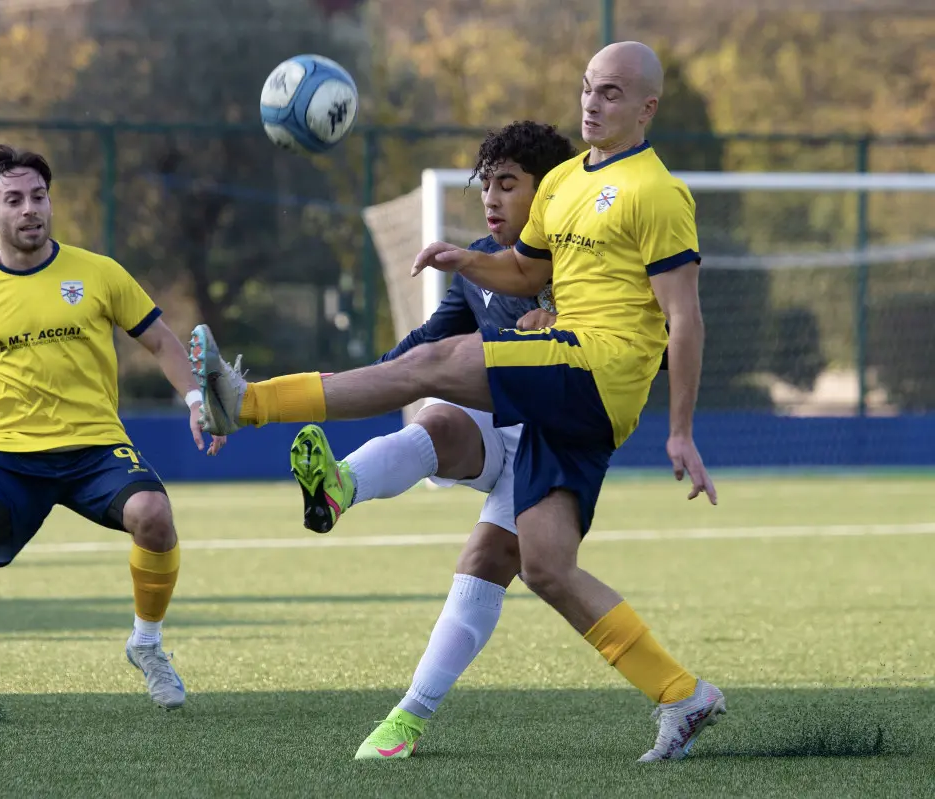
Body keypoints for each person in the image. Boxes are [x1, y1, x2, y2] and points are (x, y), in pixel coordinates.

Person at [190, 41, 725, 762]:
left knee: (433, 369)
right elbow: (525, 270)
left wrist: (681, 429)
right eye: (587, 89)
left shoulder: (657, 192)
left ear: (647, 107)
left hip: (600, 368)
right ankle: (681, 694)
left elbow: (684, 316)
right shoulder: (566, 181)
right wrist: (462, 258)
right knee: (545, 566)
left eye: (612, 93)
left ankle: (247, 403)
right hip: (566, 398)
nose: (593, 104)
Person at [286, 121, 576, 760]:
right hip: (490, 421)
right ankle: (340, 485)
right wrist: (360, 383)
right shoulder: (480, 264)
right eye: (486, 185)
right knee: (437, 419)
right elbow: (423, 347)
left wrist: (564, 322)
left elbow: (639, 337)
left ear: (550, 191)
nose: (491, 198)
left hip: (556, 444)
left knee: (486, 562)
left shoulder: (587, 261)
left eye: (509, 184)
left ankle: (407, 719)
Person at [0, 144, 225, 728]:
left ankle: (147, 644)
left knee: (154, 515)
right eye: (14, 200)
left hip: (95, 446)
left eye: (38, 196)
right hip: (10, 453)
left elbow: (161, 341)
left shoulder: (99, 273)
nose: (29, 209)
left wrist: (193, 400)